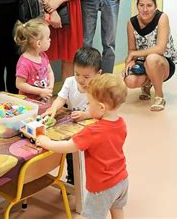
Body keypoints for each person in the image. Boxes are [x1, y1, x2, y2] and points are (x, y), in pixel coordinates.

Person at [36, 73, 129, 219]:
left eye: (89, 104)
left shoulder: (92, 131)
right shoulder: (121, 123)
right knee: (117, 209)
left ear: (101, 107)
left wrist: (47, 142)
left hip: (102, 187)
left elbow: (69, 146)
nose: (87, 107)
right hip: (122, 180)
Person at [43, 46, 102, 185]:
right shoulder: (70, 82)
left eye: (86, 77)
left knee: (92, 156)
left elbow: (101, 111)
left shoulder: (99, 87)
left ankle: (92, 180)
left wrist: (86, 114)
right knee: (71, 153)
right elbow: (60, 99)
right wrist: (53, 108)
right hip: (73, 128)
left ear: (98, 74)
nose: (81, 80)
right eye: (77, 74)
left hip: (92, 128)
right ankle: (72, 179)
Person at [122, 0, 177, 111]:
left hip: (163, 63)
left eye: (149, 5)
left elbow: (160, 48)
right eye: (141, 5)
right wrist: (130, 62)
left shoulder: (162, 17)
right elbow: (131, 49)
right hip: (142, 63)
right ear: (137, 5)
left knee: (152, 59)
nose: (145, 9)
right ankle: (147, 84)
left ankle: (159, 96)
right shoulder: (131, 23)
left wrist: (134, 54)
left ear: (155, 6)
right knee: (130, 81)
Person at [13, 18, 54, 101]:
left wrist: (50, 86)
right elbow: (19, 84)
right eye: (48, 38)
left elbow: (49, 71)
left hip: (43, 100)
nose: (50, 39)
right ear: (39, 43)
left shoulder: (43, 55)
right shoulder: (24, 63)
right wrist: (40, 91)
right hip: (29, 104)